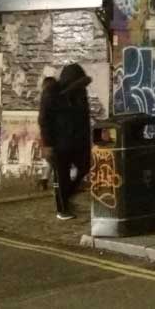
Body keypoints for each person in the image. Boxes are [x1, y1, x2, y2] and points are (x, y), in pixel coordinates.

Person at [38, 63, 92, 220]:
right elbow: (44, 119)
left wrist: (87, 142)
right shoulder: (52, 92)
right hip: (58, 142)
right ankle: (62, 209)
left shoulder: (80, 93)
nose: (81, 87)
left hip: (76, 141)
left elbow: (84, 118)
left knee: (85, 166)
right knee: (62, 176)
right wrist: (48, 144)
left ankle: (67, 196)